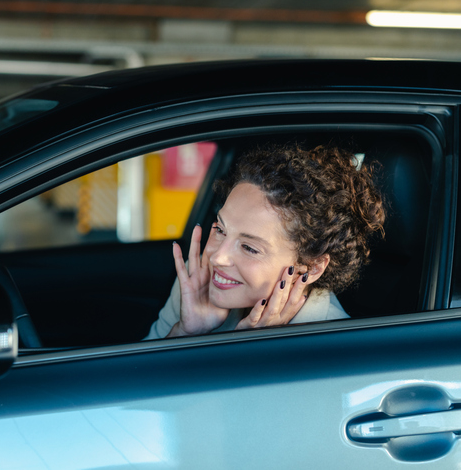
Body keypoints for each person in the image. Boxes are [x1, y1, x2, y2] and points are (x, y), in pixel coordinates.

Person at [145, 143, 386, 339]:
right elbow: (135, 392)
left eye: (249, 248)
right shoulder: (199, 281)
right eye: (221, 229)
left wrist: (251, 352)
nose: (218, 257)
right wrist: (185, 332)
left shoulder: (334, 346)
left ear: (312, 267)